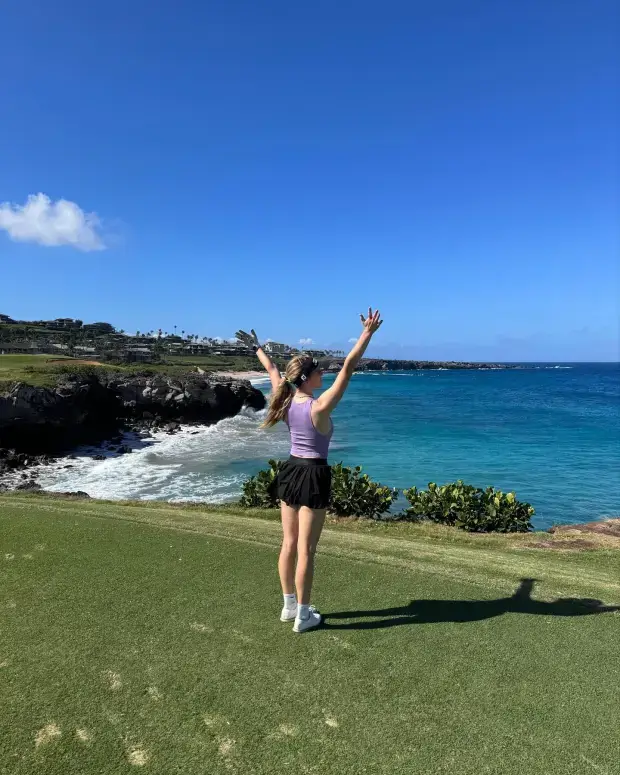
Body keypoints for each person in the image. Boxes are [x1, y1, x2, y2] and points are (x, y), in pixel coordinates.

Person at [236, 308, 383, 633]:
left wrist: (256, 347)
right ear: (308, 378)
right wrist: (367, 334)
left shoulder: (285, 399)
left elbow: (272, 368)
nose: (322, 374)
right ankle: (304, 615)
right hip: (314, 474)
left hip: (290, 472)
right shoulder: (319, 406)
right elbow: (348, 368)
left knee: (288, 544)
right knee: (307, 549)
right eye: (317, 371)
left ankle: (289, 606)